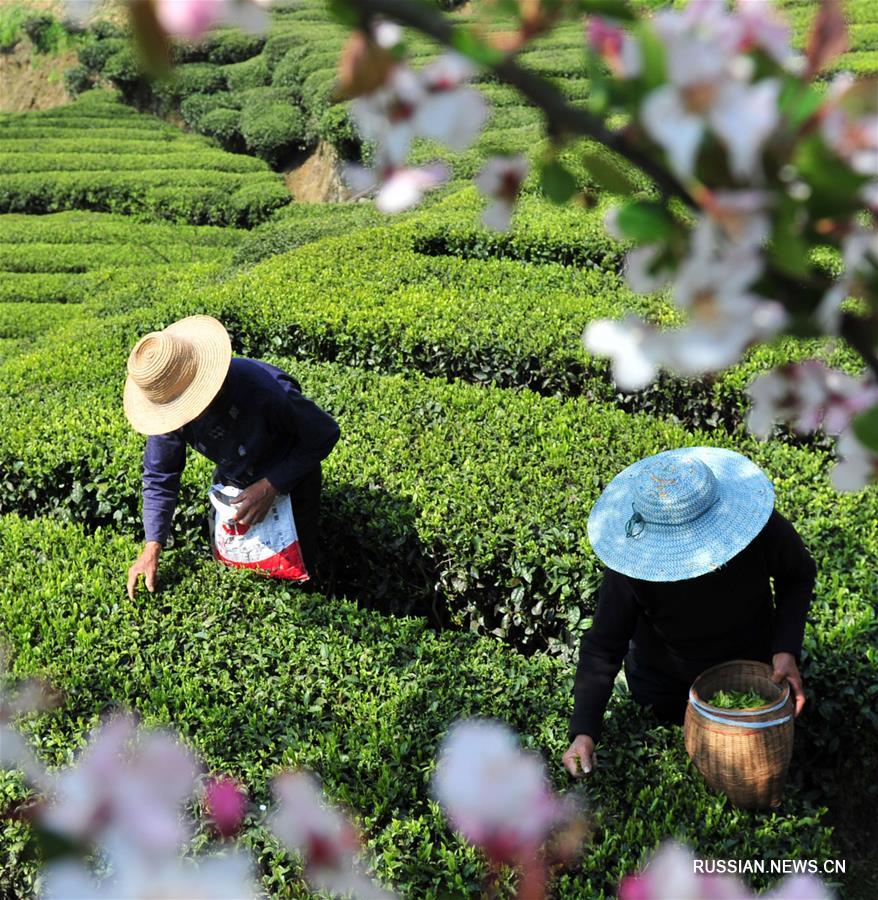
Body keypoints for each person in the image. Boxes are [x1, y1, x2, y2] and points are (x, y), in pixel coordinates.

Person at [562, 446, 816, 779]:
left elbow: (797, 574)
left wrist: (785, 650)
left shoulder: (756, 527)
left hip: (754, 666)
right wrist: (584, 732)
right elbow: (603, 646)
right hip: (667, 689)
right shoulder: (633, 565)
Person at [123, 315, 340, 600]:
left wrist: (271, 485)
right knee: (235, 568)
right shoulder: (169, 408)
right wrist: (152, 547)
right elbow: (160, 476)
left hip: (291, 477)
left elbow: (324, 433)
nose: (185, 416)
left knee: (293, 577)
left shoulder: (267, 390)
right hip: (233, 481)